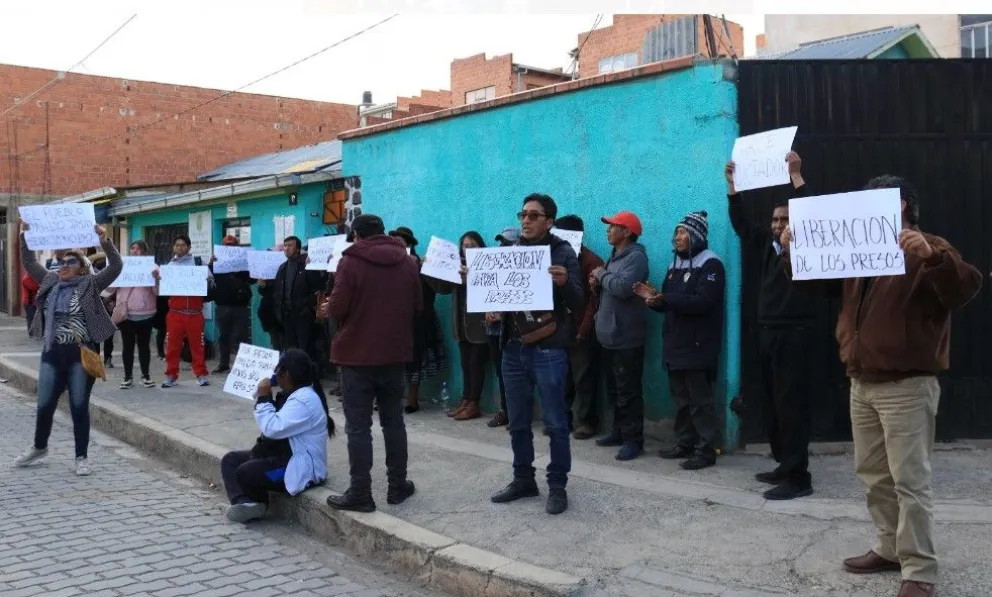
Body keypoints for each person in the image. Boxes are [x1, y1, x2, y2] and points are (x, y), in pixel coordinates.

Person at [781, 176, 982, 597]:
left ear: (905, 204)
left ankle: (920, 570)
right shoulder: (860, 247)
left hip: (908, 384)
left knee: (910, 480)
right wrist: (792, 249)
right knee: (874, 475)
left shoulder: (930, 246)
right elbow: (817, 283)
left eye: (878, 198)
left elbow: (965, 287)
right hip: (862, 380)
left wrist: (931, 258)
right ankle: (890, 548)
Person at [726, 152, 818, 500]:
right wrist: (733, 188)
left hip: (794, 334)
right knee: (774, 403)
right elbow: (741, 225)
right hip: (768, 334)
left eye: (784, 219)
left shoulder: (805, 246)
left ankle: (799, 477)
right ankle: (784, 463)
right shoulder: (766, 246)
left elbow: (808, 209)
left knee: (792, 405)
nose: (778, 225)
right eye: (775, 220)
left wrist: (796, 175)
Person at [490, 193, 583, 516]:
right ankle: (523, 479)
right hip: (513, 349)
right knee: (517, 421)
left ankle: (557, 486)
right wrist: (492, 309)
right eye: (523, 215)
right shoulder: (512, 252)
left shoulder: (562, 251)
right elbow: (507, 299)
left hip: (548, 349)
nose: (525, 220)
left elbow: (578, 300)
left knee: (556, 421)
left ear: (549, 221)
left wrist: (565, 282)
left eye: (533, 215)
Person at [322, 214, 422, 513]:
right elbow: (417, 306)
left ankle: (361, 493)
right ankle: (397, 486)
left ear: (356, 235)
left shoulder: (350, 261)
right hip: (394, 354)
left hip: (357, 355)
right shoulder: (407, 262)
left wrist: (330, 308)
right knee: (394, 423)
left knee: (358, 427)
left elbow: (338, 307)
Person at [14, 222, 122, 476]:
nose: (63, 266)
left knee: (78, 404)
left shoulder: (90, 284)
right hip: (52, 352)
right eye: (61, 262)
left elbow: (116, 266)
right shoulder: (50, 280)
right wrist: (25, 235)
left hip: (79, 353)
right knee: (44, 403)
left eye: (70, 263)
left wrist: (105, 241)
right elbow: (29, 263)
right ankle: (39, 447)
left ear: (81, 267)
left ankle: (81, 457)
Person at [635, 211, 725, 471]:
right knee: (681, 399)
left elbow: (703, 302)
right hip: (675, 344)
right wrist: (653, 300)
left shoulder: (711, 264)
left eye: (683, 233)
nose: (677, 237)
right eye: (676, 233)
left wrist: (665, 299)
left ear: (696, 236)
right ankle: (685, 442)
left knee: (700, 400)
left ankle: (707, 448)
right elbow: (669, 303)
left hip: (698, 344)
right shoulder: (674, 265)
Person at [221, 348, 334, 523]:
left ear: (286, 374)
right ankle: (245, 503)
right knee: (230, 460)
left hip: (297, 469)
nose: (274, 373)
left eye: (277, 370)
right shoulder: (291, 394)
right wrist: (267, 390)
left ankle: (258, 502)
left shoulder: (303, 400)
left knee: (246, 471)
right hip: (282, 457)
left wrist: (264, 398)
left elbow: (272, 428)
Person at [590, 211, 649, 461]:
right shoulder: (614, 257)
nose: (608, 230)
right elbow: (609, 289)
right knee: (614, 390)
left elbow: (624, 288)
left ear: (626, 231)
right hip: (608, 337)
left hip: (626, 338)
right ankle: (618, 430)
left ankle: (633, 439)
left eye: (613, 226)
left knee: (628, 392)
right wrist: (597, 282)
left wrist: (601, 275)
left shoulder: (636, 258)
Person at [426, 231, 490, 422]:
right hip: (461, 326)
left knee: (476, 364)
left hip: (479, 326)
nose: (468, 248)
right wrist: (430, 268)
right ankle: (465, 399)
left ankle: (474, 403)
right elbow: (441, 288)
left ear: (481, 247)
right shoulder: (455, 267)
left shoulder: (487, 265)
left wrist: (470, 278)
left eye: (473, 245)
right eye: (465, 245)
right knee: (465, 364)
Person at [551, 216, 604, 440]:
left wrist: (584, 328)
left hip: (582, 326)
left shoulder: (591, 260)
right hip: (561, 326)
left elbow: (593, 301)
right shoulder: (555, 259)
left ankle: (587, 422)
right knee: (562, 376)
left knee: (584, 376)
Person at [389, 226, 447, 414]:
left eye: (401, 241)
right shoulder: (386, 265)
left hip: (418, 321)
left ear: (409, 244)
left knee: (415, 361)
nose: (397, 243)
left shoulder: (421, 264)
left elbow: (431, 292)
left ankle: (412, 399)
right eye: (394, 240)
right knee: (391, 362)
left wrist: (420, 269)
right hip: (393, 322)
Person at [162, 234, 214, 388]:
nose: (179, 247)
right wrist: (158, 279)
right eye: (177, 245)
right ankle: (171, 375)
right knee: (172, 346)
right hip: (175, 314)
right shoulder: (169, 267)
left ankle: (201, 374)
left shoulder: (198, 263)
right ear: (173, 247)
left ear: (189, 247)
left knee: (198, 346)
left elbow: (211, 283)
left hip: (195, 314)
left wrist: (207, 281)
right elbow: (163, 288)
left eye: (183, 245)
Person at [485, 227, 521, 427]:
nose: (502, 247)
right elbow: (485, 293)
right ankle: (506, 410)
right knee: (501, 372)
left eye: (508, 243)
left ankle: (518, 412)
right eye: (501, 243)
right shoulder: (492, 266)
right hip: (494, 329)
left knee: (519, 374)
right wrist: (486, 310)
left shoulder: (525, 268)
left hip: (514, 331)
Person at [264, 236, 324, 355]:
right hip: (287, 316)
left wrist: (306, 305)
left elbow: (318, 287)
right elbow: (276, 290)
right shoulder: (282, 268)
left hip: (303, 316)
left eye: (290, 245)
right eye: (285, 246)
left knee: (305, 349)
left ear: (298, 249)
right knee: (291, 349)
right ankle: (294, 373)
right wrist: (263, 286)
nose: (286, 248)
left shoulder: (306, 265)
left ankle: (308, 373)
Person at [115, 240, 160, 389]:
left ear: (145, 251)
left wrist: (155, 280)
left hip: (146, 314)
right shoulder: (122, 267)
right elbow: (112, 288)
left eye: (139, 248)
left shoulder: (153, 268)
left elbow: (158, 293)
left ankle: (145, 376)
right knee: (127, 346)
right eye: (132, 248)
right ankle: (127, 377)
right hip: (126, 314)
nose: (135, 251)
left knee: (144, 346)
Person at [211, 235, 255, 373]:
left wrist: (241, 270)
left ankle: (245, 365)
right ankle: (224, 363)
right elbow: (208, 277)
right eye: (226, 246)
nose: (229, 248)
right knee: (223, 336)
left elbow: (252, 279)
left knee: (242, 335)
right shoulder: (217, 262)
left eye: (232, 245)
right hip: (222, 305)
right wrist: (211, 264)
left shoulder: (243, 262)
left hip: (239, 306)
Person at [89, 252, 117, 368]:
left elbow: (117, 289)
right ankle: (96, 359)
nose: (101, 263)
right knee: (96, 335)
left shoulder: (112, 274)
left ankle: (107, 358)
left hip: (109, 307)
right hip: (96, 307)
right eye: (98, 261)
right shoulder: (90, 275)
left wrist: (110, 298)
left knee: (109, 335)